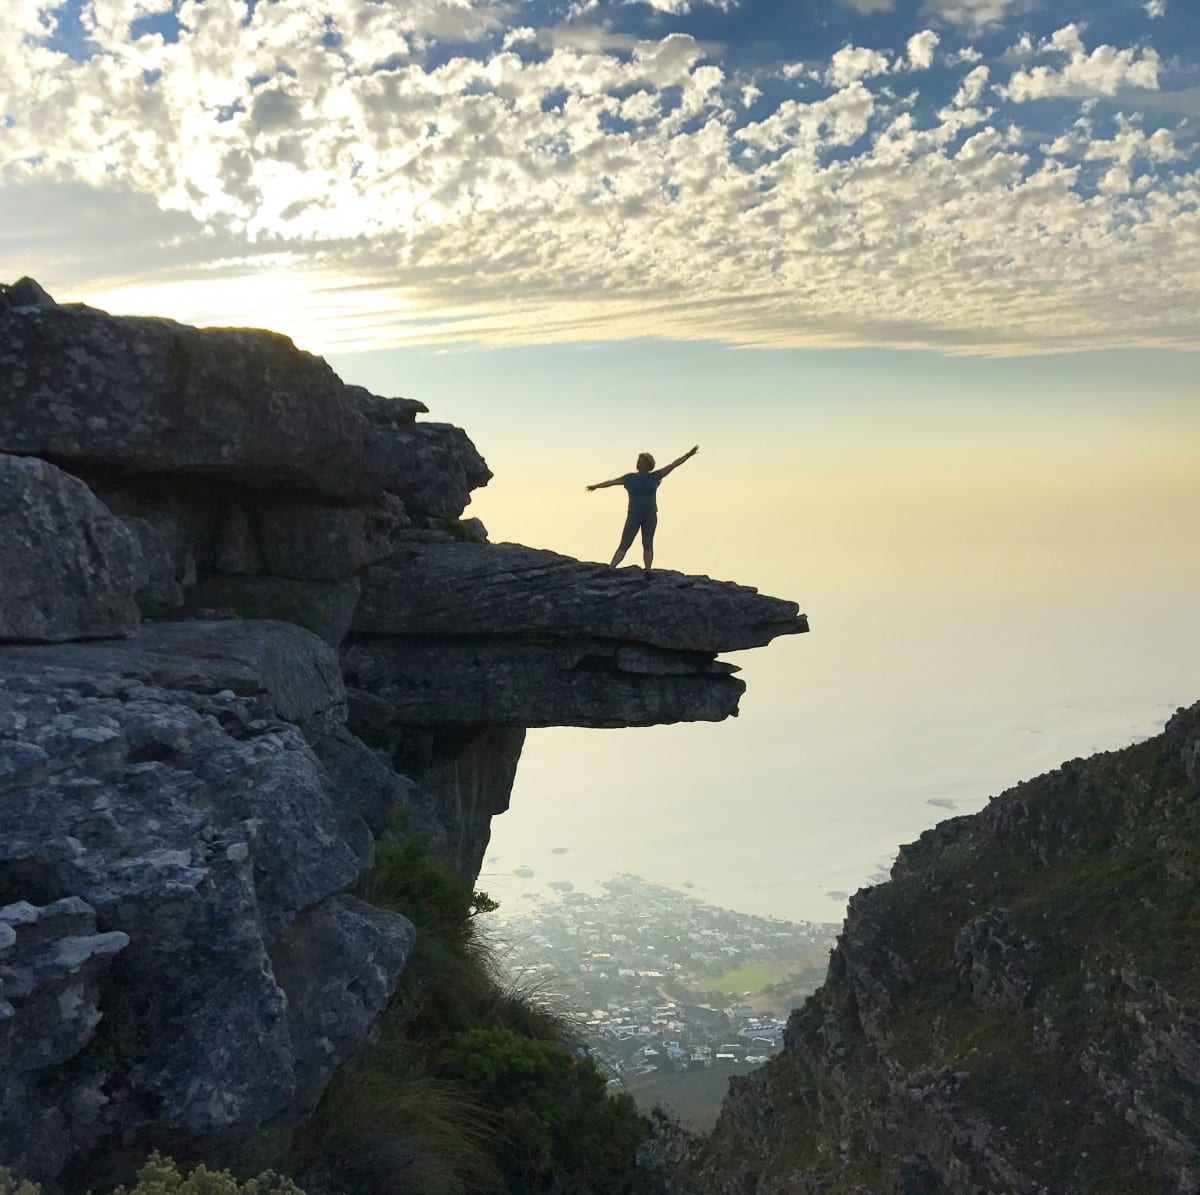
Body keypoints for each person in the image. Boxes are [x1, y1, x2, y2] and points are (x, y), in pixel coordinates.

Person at [586, 446, 699, 574]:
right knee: (625, 542)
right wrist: (596, 486)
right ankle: (612, 567)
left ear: (647, 464)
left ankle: (647, 570)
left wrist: (687, 455)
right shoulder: (630, 478)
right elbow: (611, 482)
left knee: (647, 543)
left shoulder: (655, 476)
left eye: (641, 461)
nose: (638, 463)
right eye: (638, 461)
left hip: (650, 515)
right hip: (634, 515)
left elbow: (673, 465)